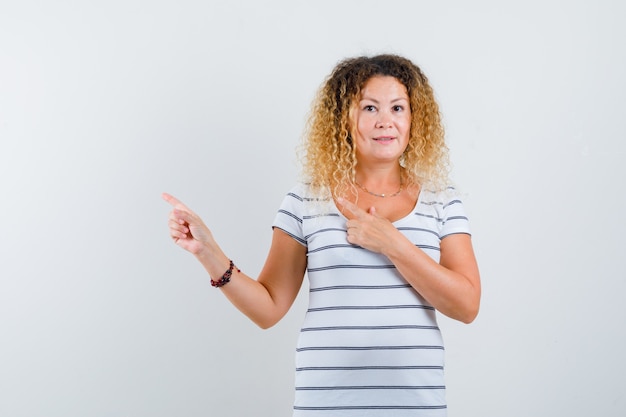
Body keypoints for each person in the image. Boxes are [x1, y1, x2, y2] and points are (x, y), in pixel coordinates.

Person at [163, 54, 480, 416]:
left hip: (416, 406)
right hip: (326, 404)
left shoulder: (442, 200)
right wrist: (208, 251)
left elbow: (467, 305)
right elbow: (268, 309)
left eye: (397, 108)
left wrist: (392, 243)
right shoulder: (306, 199)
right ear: (344, 118)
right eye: (370, 108)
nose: (385, 122)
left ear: (414, 119)